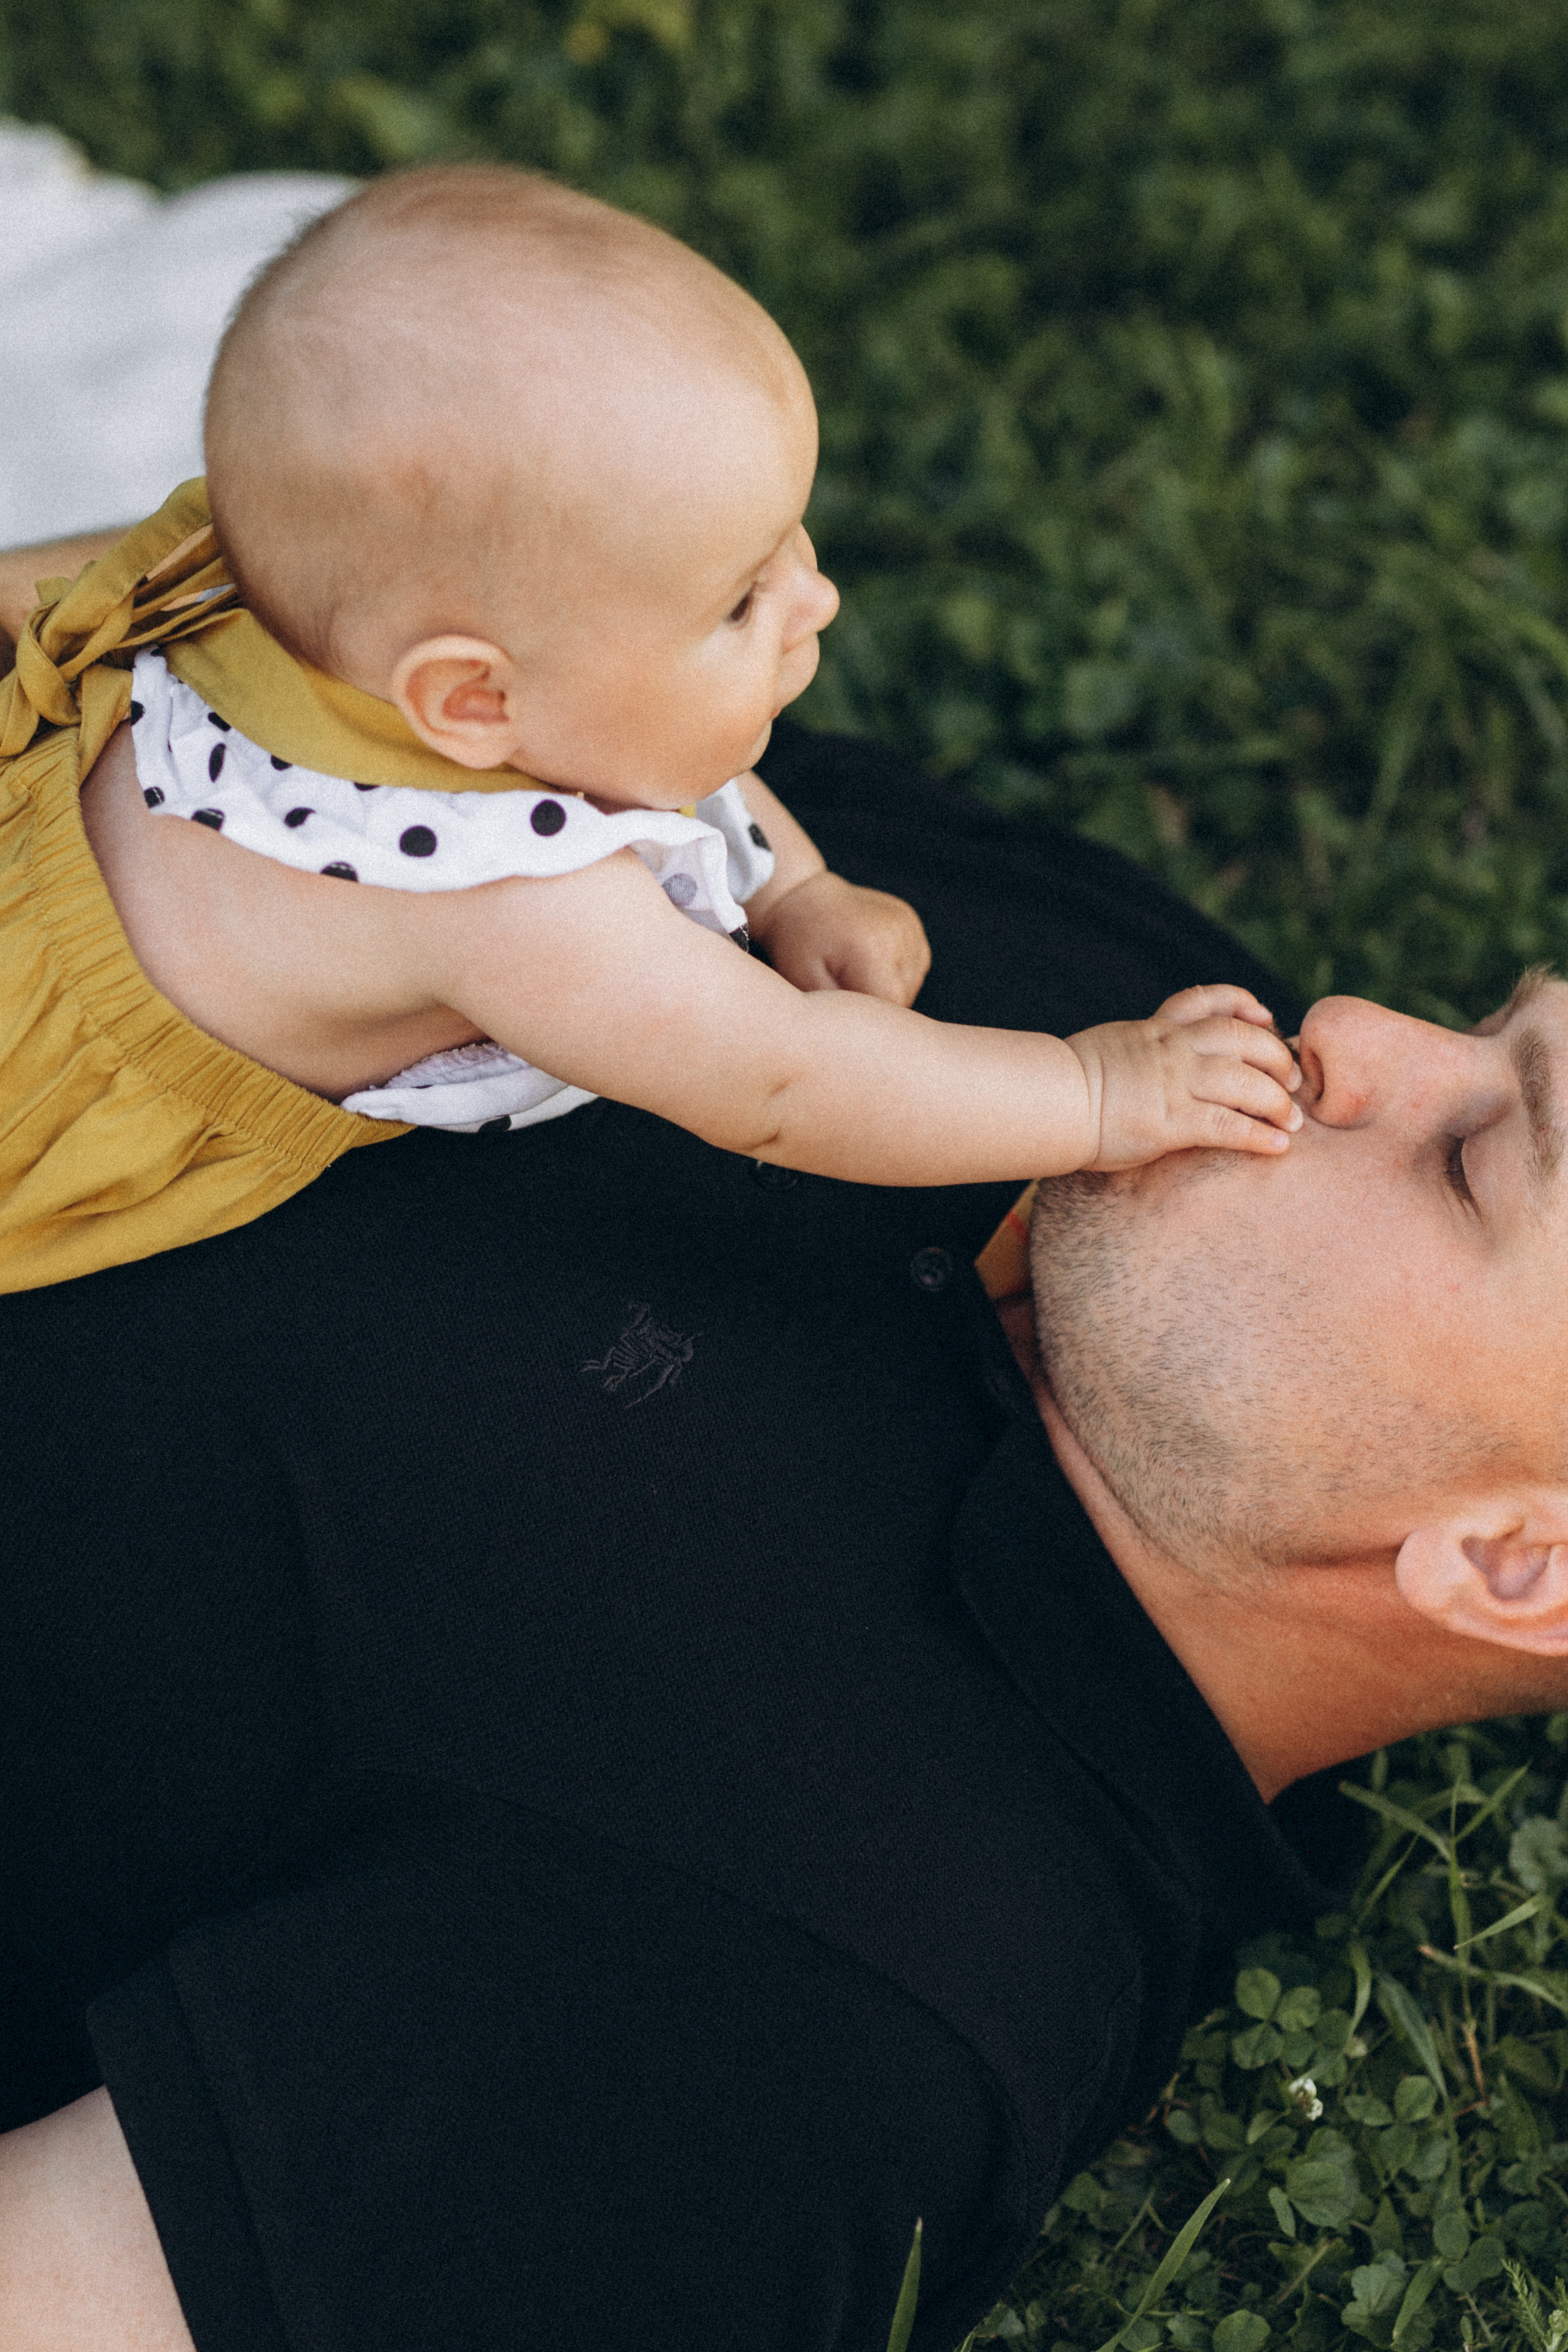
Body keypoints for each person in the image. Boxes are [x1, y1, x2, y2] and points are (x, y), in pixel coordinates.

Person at [6, 483, 1568, 2345]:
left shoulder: (812, 2019)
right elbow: (365, 673)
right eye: (1489, 1018)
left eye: (1477, 1158)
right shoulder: (1105, 1005)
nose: (1362, 1032)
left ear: (1515, 1558)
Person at [0, 162, 1301, 1292]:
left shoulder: (319, 593)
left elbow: (646, 762)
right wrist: (1096, 1094)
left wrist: (799, 884)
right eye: (740, 599)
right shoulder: (514, 910)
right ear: (469, 702)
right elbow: (785, 1084)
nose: (816, 596)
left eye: (789, 541)